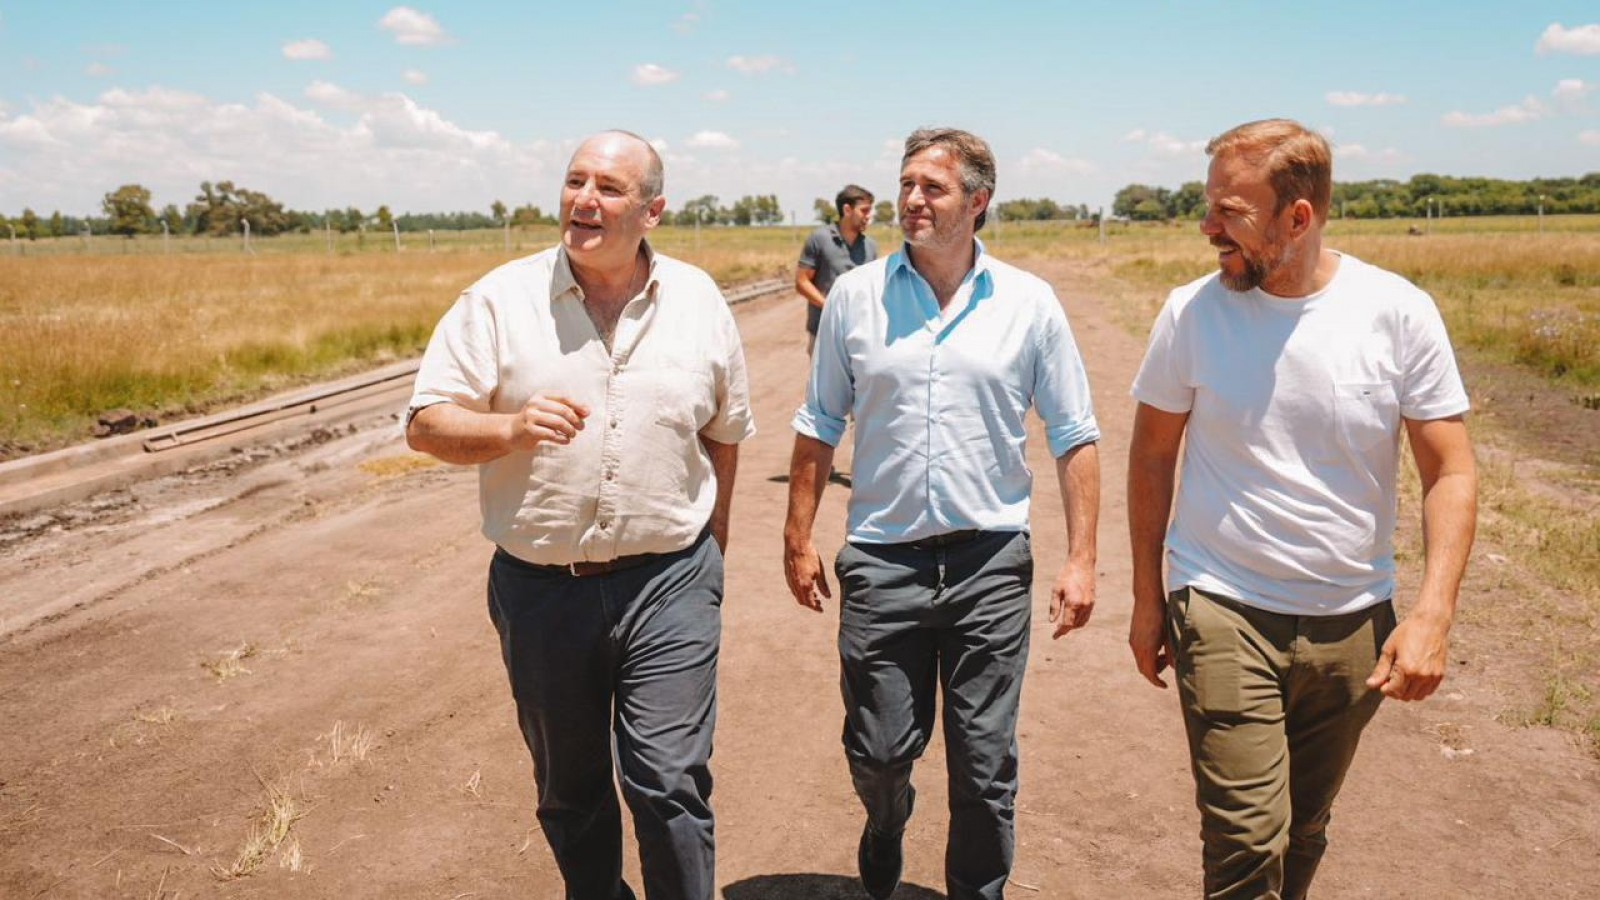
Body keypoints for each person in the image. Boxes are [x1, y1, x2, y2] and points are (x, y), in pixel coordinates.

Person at [1127, 118, 1477, 900]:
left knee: (1303, 827)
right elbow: (1152, 455)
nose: (1208, 228)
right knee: (1247, 839)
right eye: (1208, 206)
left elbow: (1449, 468)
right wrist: (1150, 597)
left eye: (1230, 212)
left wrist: (1433, 614)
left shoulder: (1397, 312)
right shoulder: (1191, 314)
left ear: (1298, 218)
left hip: (1352, 620)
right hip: (1219, 603)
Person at [406, 130, 755, 900]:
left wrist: (712, 550)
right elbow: (426, 422)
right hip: (541, 589)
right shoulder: (498, 300)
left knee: (667, 780)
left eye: (608, 187)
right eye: (574, 182)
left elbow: (724, 434)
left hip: (669, 581)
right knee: (571, 789)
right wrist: (509, 427)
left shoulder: (698, 301)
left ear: (652, 210)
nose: (584, 200)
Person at [783, 127, 1101, 900]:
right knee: (882, 750)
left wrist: (1083, 557)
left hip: (989, 561)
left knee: (986, 762)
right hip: (882, 560)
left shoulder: (1029, 303)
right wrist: (798, 536)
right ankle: (886, 821)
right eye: (908, 184)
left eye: (934, 187)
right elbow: (820, 422)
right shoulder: (856, 298)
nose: (913, 200)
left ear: (978, 201)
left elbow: (1074, 433)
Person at [797, 184, 878, 356]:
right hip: (823, 331)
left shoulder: (870, 246)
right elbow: (802, 282)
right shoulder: (819, 239)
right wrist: (830, 306)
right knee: (824, 383)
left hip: (861, 334)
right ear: (847, 210)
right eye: (864, 211)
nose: (868, 217)